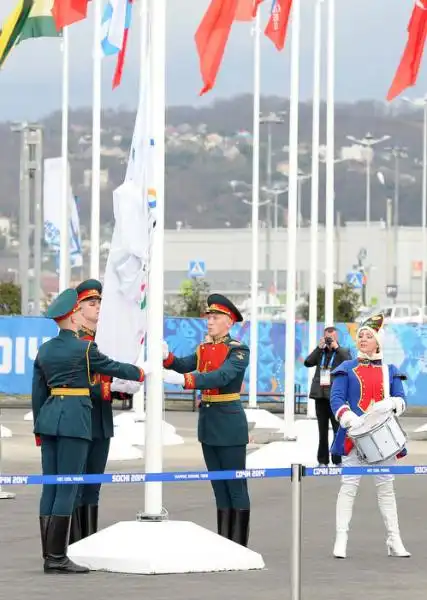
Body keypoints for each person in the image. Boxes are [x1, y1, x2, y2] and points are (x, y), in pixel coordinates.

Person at [32, 288, 149, 574]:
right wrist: (141, 371)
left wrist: (38, 426)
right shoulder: (84, 349)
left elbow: (37, 392)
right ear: (74, 316)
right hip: (74, 419)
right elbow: (114, 367)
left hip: (49, 418)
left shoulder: (45, 349)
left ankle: (49, 553)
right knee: (68, 485)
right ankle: (58, 557)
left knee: (51, 485)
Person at [162, 293, 250, 547]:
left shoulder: (237, 350)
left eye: (215, 317)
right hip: (209, 423)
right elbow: (183, 364)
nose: (209, 322)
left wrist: (188, 381)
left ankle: (239, 544)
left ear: (229, 322)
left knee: (235, 485)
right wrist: (167, 357)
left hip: (229, 422)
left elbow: (221, 377)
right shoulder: (203, 349)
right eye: (208, 317)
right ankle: (225, 542)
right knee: (218, 486)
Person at [329, 313, 410, 559]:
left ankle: (394, 539)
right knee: (348, 487)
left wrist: (392, 403)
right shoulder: (346, 368)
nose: (363, 339)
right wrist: (348, 419)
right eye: (360, 336)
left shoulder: (390, 371)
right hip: (354, 437)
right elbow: (336, 399)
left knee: (386, 489)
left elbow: (402, 400)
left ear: (378, 342)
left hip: (383, 440)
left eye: (368, 336)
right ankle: (341, 538)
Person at [69, 279, 141, 544]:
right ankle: (73, 545)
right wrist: (109, 386)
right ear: (77, 309)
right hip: (79, 418)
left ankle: (88, 542)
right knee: (74, 485)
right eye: (92, 303)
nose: (98, 307)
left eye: (100, 302)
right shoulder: (73, 342)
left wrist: (122, 387)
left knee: (93, 487)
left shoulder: (105, 341)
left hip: (100, 419)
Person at [304, 326, 351, 466]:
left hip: (335, 398)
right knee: (322, 431)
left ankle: (337, 460)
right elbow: (307, 362)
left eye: (332, 338)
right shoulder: (320, 352)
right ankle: (322, 460)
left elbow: (348, 362)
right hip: (320, 397)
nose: (329, 340)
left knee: (338, 430)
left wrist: (336, 347)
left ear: (337, 338)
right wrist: (319, 347)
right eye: (327, 338)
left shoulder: (342, 352)